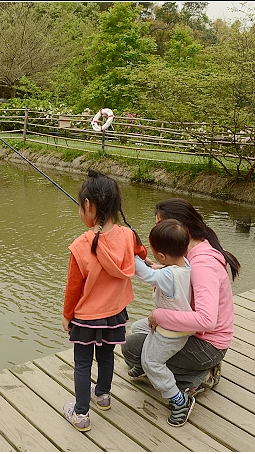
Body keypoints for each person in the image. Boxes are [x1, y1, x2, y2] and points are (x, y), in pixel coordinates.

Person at [122, 198, 240, 427]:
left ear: (182, 231)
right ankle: (176, 371)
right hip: (189, 333)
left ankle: (196, 379)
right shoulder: (192, 252)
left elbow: (206, 321)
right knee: (137, 330)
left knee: (135, 350)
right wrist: (157, 266)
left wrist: (158, 315)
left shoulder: (204, 264)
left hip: (208, 344)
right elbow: (178, 273)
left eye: (160, 227)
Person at [61, 170, 147, 432]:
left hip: (86, 318)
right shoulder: (127, 236)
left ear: (88, 205)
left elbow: (73, 287)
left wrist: (67, 316)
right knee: (107, 355)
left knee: (83, 363)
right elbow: (141, 253)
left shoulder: (81, 245)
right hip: (115, 314)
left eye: (80, 206)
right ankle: (103, 395)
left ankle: (81, 414)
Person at [129, 218, 196, 426]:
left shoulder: (167, 275)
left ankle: (178, 400)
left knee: (152, 362)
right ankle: (144, 365)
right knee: (137, 327)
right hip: (175, 324)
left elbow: (146, 275)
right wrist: (156, 264)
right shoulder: (184, 265)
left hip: (171, 333)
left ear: (161, 255)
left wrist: (129, 254)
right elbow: (164, 271)